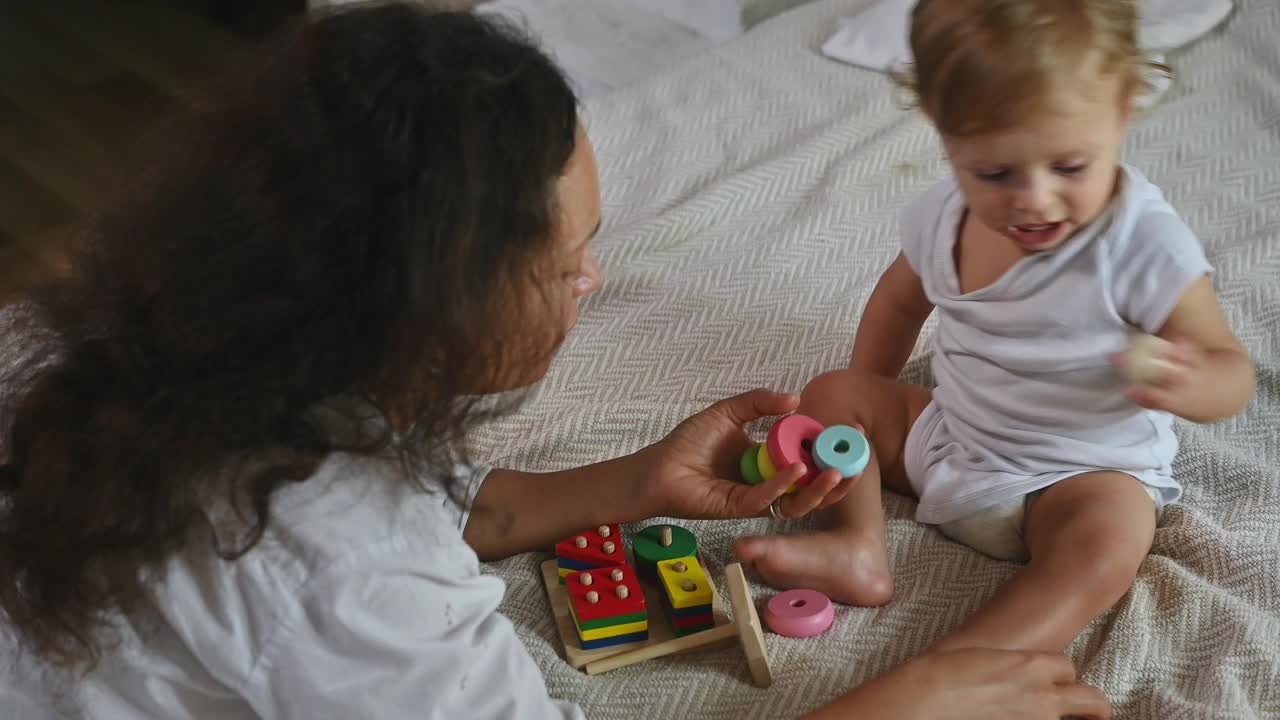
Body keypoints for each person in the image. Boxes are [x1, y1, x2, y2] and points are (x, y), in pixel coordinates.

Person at [0, 2, 1111, 718]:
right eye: (567, 260)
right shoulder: (341, 564)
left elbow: (440, 515)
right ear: (430, 304)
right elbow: (350, 553)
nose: (593, 280)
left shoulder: (114, 341)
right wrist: (916, 696)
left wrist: (637, 483)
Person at [735, 0, 1255, 656]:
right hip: (950, 440)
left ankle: (983, 658)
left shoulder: (1141, 242)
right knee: (835, 393)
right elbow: (899, 304)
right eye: (995, 173)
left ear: (1123, 111)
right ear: (942, 131)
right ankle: (858, 545)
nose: (1034, 198)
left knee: (1108, 543)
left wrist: (1193, 379)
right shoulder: (944, 216)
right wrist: (857, 434)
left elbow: (1231, 372)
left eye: (1069, 166)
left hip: (1076, 475)